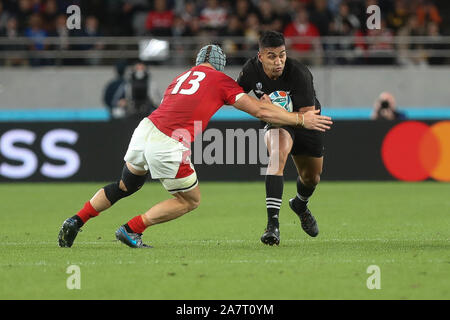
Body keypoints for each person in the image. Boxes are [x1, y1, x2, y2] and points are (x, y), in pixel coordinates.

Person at [58, 44, 332, 249]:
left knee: (125, 185)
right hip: (168, 142)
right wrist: (300, 119)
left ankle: (76, 219)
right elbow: (263, 112)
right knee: (190, 200)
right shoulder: (222, 81)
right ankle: (132, 229)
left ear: (198, 62)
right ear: (220, 65)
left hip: (144, 130)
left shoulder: (179, 78)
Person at [237, 31, 330, 246]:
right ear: (260, 57)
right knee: (277, 156)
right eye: (272, 56)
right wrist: (262, 108)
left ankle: (300, 204)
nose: (278, 62)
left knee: (311, 178)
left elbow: (306, 117)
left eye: (282, 55)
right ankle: (273, 226)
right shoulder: (251, 70)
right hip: (277, 122)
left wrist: (275, 110)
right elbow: (234, 96)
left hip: (307, 121)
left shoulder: (299, 72)